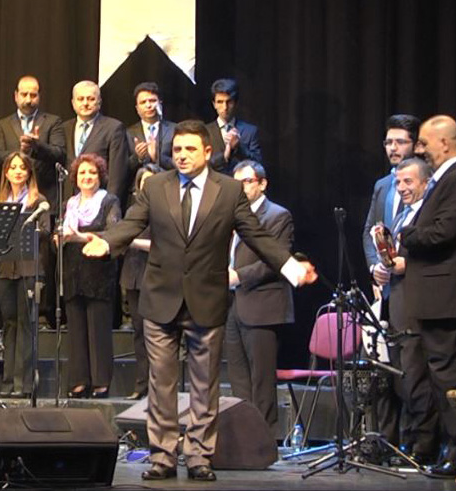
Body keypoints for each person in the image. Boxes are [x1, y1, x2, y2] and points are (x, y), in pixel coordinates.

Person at [81, 120, 315, 482]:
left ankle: (198, 456)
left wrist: (290, 266)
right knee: (161, 383)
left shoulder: (229, 190)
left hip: (206, 299)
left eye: (190, 149)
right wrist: (108, 241)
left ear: (207, 152)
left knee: (205, 385)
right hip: (161, 299)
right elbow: (132, 223)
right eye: (177, 149)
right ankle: (162, 456)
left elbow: (257, 236)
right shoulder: (156, 185)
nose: (182, 155)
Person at [398, 115, 456, 478]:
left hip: (444, 291)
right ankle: (452, 446)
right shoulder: (448, 179)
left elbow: (442, 232)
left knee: (448, 372)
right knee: (440, 371)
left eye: (424, 143)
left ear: (445, 143)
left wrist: (407, 233)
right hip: (436, 292)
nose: (420, 149)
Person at [370, 157, 436, 465]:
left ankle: (424, 446)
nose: (401, 188)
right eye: (398, 182)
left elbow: (436, 255)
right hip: (395, 306)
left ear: (426, 182)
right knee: (401, 380)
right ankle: (408, 442)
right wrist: (381, 269)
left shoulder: (428, 214)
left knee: (416, 379)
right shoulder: (400, 216)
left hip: (416, 307)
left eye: (408, 181)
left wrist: (406, 265)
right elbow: (391, 258)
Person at [361, 113, 421, 452]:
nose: (392, 148)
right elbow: (370, 230)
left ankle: (417, 442)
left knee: (412, 370)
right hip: (385, 292)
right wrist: (375, 266)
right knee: (386, 368)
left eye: (400, 141)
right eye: (388, 142)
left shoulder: (428, 183)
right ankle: (386, 441)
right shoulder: (383, 185)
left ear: (415, 144)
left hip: (415, 290)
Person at [223, 160, 295, 433]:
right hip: (233, 304)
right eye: (236, 184)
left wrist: (238, 276)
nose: (240, 189)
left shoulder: (277, 216)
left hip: (262, 305)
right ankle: (244, 437)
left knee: (261, 381)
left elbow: (276, 260)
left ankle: (264, 439)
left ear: (262, 184)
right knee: (238, 378)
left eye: (247, 182)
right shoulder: (231, 215)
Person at [59, 153, 122, 399]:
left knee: (98, 329)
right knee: (76, 329)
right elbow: (62, 233)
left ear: (100, 176)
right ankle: (79, 381)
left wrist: (78, 237)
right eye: (83, 172)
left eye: (92, 173)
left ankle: (100, 383)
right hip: (73, 271)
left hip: (99, 272)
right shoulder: (70, 204)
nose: (87, 177)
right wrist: (59, 239)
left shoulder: (109, 201)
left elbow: (113, 232)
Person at [0, 152, 50, 397]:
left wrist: (23, 229)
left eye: (22, 167)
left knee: (26, 324)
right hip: (6, 270)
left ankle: (24, 383)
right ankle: (7, 382)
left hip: (29, 269)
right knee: (9, 324)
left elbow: (45, 231)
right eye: (13, 167)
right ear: (6, 173)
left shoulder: (38, 201)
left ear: (29, 172)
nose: (18, 171)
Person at [117, 163, 161, 399]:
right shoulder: (133, 210)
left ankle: (157, 386)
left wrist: (131, 241)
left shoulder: (165, 210)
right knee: (138, 332)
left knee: (156, 334)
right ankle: (141, 384)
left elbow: (162, 245)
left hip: (155, 276)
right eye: (145, 183)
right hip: (133, 275)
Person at [0, 76, 66, 209]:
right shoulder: (3, 125)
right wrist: (20, 154)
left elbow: (60, 153)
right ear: (16, 96)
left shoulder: (53, 122)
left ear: (39, 96)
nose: (28, 100)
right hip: (11, 196)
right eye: (24, 94)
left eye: (33, 95)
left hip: (44, 195)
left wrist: (37, 146)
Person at [62, 80, 132, 204]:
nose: (85, 103)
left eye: (91, 99)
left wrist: (109, 206)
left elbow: (117, 175)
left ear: (99, 102)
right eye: (80, 99)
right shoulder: (64, 128)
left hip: (99, 202)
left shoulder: (113, 128)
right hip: (70, 203)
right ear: (73, 103)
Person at [204, 78, 262, 173]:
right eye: (220, 102)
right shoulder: (205, 131)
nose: (225, 107)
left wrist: (239, 147)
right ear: (214, 104)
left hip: (240, 181)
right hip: (214, 180)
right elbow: (201, 164)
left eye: (229, 102)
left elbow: (258, 164)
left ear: (235, 103)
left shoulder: (250, 131)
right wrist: (224, 156)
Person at [127, 82, 175, 171]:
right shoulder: (128, 133)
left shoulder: (174, 129)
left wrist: (158, 157)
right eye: (143, 102)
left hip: (168, 178)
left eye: (152, 101)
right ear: (137, 109)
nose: (148, 105)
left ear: (160, 104)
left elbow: (181, 164)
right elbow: (122, 169)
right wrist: (138, 157)